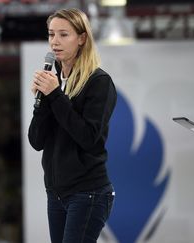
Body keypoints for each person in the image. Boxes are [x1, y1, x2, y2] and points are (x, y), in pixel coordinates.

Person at [28, 8, 117, 243]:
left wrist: (56, 95)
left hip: (88, 192)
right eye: (51, 34)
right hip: (56, 193)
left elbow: (89, 138)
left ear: (82, 38)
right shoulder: (54, 82)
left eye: (63, 34)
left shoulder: (99, 83)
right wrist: (43, 102)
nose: (54, 41)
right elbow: (36, 141)